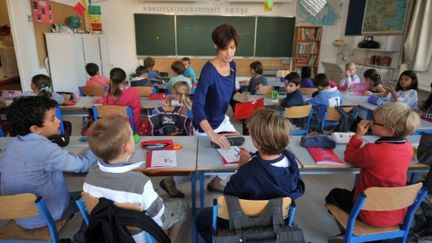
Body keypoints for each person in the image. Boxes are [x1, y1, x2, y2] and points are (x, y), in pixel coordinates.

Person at [195, 109, 305, 242]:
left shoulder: (247, 173)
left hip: (243, 222)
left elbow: (228, 195)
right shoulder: (291, 161)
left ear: (257, 143)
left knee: (200, 217)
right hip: (277, 221)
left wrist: (240, 167)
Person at [85, 115, 187, 242]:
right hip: (139, 236)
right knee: (181, 205)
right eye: (132, 136)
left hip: (107, 233)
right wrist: (153, 196)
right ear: (126, 147)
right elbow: (158, 217)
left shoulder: (89, 178)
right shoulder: (141, 183)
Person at [0, 96, 97, 229]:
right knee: (98, 197)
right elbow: (82, 165)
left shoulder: (13, 145)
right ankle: (82, 236)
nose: (59, 121)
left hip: (19, 215)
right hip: (45, 215)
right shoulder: (45, 150)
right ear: (35, 129)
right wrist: (96, 146)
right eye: (52, 119)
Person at [326, 102, 420, 227]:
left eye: (374, 121)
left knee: (334, 194)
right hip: (397, 213)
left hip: (369, 214)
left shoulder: (371, 150)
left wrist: (358, 135)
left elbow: (349, 156)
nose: (370, 122)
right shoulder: (408, 148)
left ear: (390, 130)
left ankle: (349, 231)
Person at [192, 24, 241, 192]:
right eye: (224, 48)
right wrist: (211, 134)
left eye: (232, 47)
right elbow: (196, 107)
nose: (229, 53)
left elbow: (230, 92)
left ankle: (216, 182)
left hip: (221, 120)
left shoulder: (233, 65)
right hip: (205, 125)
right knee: (203, 165)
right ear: (216, 47)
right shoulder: (209, 71)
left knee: (241, 155)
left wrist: (242, 98)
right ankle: (172, 180)